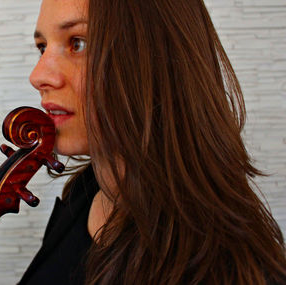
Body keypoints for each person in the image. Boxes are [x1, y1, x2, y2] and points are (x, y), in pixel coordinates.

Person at [18, 0, 286, 284]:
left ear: (155, 58)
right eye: (42, 47)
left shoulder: (221, 269)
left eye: (78, 44)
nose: (37, 76)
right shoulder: (81, 195)